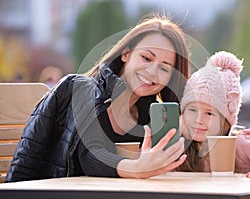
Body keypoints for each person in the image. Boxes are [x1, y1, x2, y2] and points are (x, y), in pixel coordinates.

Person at [5, 14, 190, 182]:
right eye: (146, 58)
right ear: (126, 54)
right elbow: (90, 153)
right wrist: (137, 167)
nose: (152, 72)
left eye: (164, 68)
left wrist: (217, 68)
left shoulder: (152, 120)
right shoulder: (79, 89)